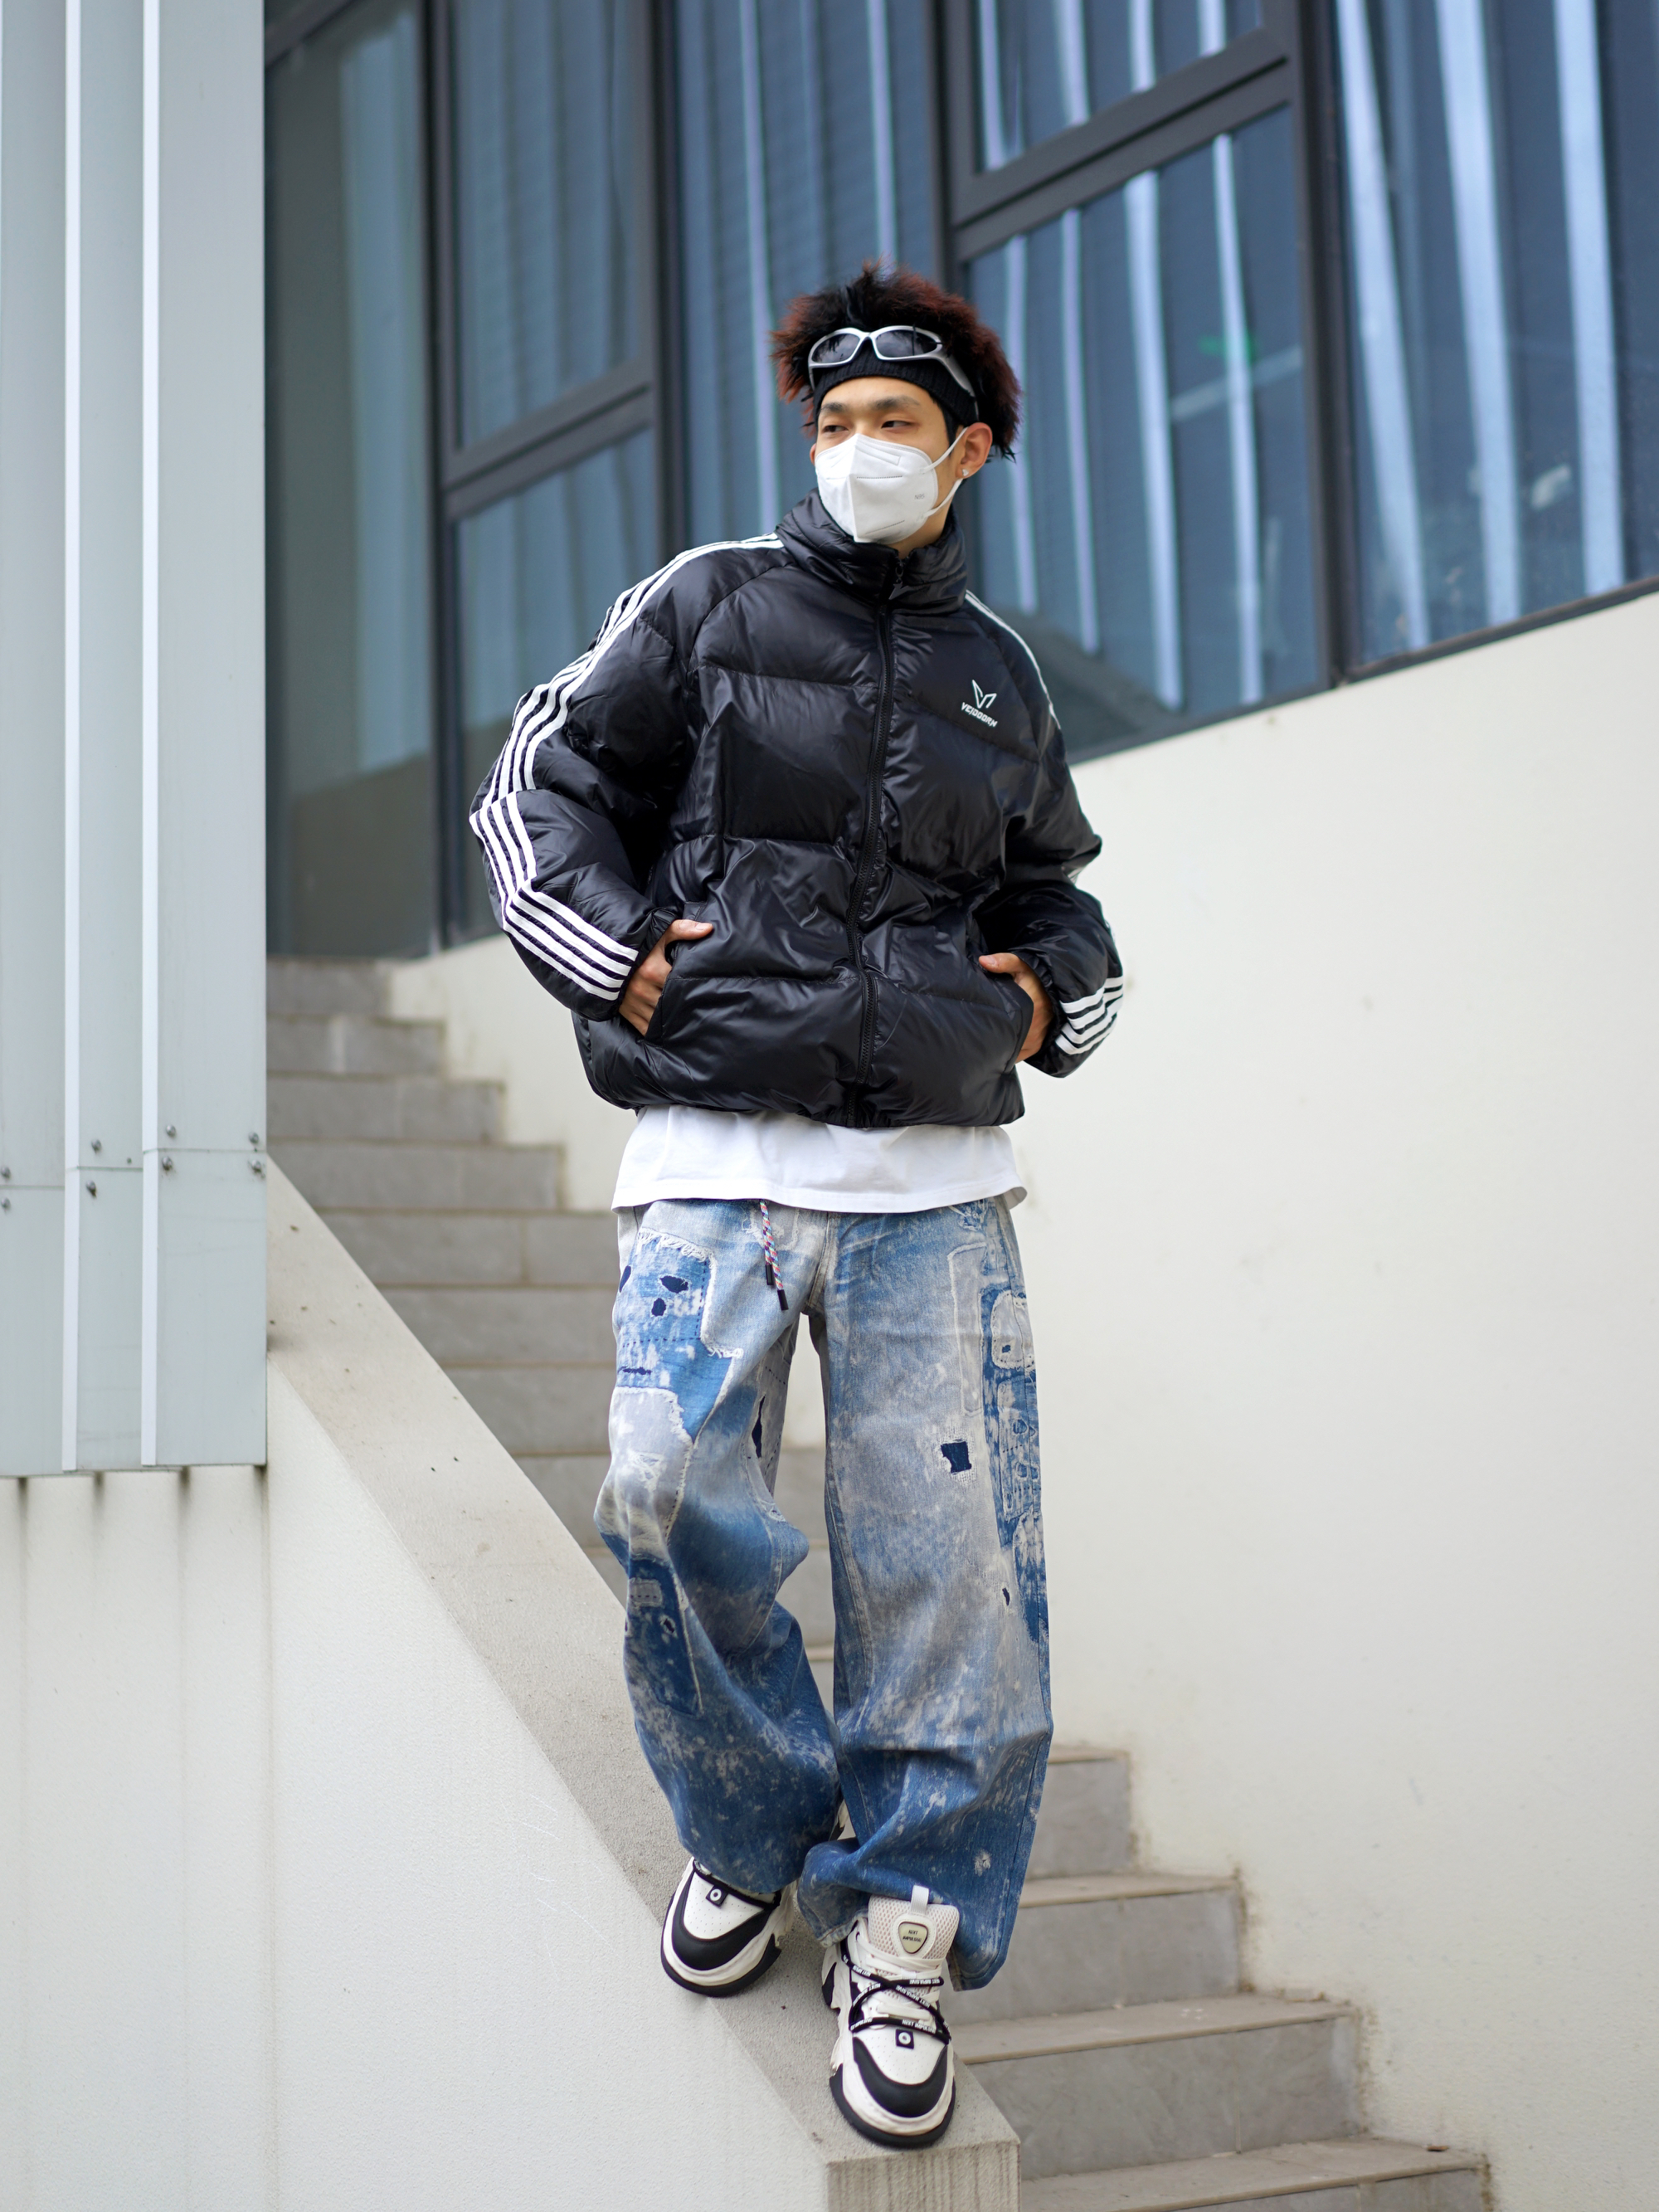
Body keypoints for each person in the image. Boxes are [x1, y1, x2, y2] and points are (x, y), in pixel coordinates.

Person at [470, 261, 1121, 2151]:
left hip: (939, 1184)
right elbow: (536, 790)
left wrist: (1041, 999)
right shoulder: (705, 602)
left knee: (951, 1569)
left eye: (893, 423)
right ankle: (753, 1825)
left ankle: (902, 1925)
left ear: (965, 450)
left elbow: (1063, 904)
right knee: (665, 1488)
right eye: (832, 422)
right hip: (713, 1162)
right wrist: (616, 959)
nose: (856, 450)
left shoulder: (1002, 676)